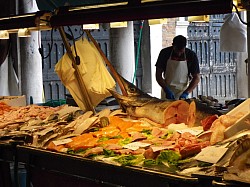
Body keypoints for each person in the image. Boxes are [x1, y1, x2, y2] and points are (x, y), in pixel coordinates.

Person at [155, 35, 200, 100]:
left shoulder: (191, 55)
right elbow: (158, 75)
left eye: (181, 51)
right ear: (173, 45)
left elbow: (196, 77)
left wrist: (186, 93)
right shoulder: (164, 53)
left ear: (185, 47)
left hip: (182, 91)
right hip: (167, 90)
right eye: (176, 51)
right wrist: (166, 89)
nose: (179, 54)